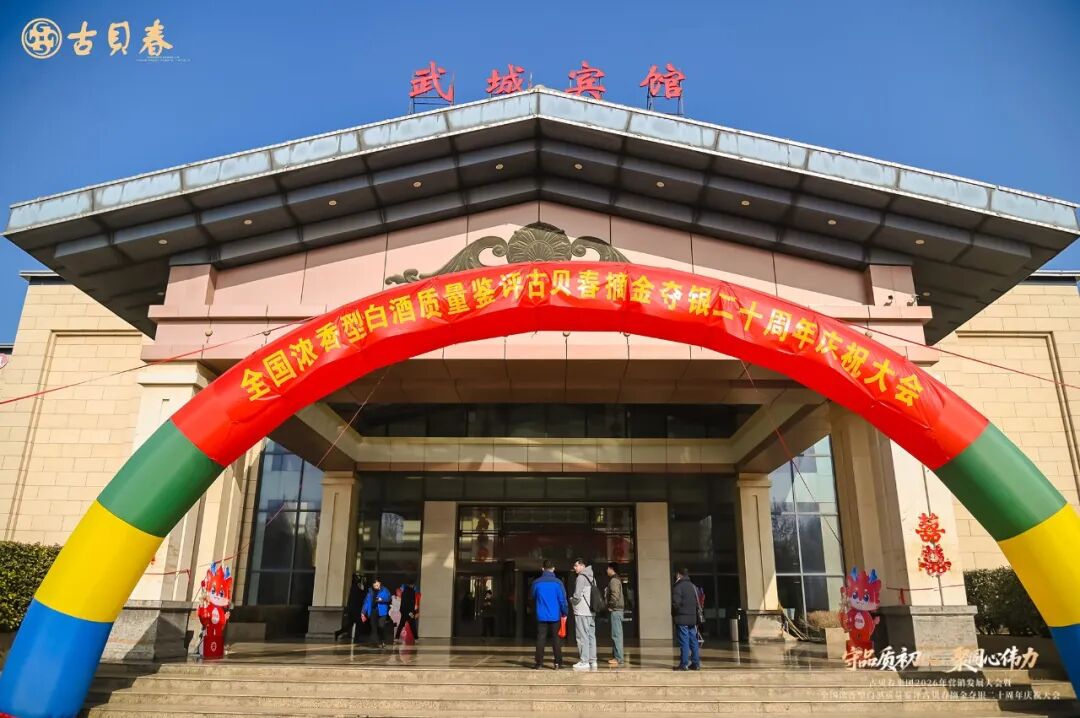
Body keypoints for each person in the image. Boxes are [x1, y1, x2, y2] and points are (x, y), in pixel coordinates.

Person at [530, 560, 568, 670]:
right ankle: (557, 663)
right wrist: (565, 612)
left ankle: (539, 663)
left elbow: (532, 596)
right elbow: (562, 600)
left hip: (541, 615)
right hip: (555, 615)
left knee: (540, 638)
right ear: (553, 568)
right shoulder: (558, 583)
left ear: (542, 569)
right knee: (556, 639)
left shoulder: (536, 583)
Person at [570, 558, 598, 671]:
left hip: (582, 611)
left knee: (582, 637)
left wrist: (571, 600)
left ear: (582, 565)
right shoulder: (592, 578)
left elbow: (577, 596)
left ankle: (584, 661)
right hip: (591, 612)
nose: (575, 568)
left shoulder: (581, 578)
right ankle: (593, 660)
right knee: (591, 636)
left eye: (576, 566)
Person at [671, 567, 702, 671]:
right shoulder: (693, 586)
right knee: (693, 640)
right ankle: (696, 664)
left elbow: (676, 603)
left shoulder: (678, 586)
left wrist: (674, 613)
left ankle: (684, 664)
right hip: (692, 618)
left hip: (682, 618)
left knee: (684, 641)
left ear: (678, 575)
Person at [361, 577, 393, 648]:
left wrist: (382, 599)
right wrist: (363, 612)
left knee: (381, 626)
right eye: (374, 585)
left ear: (380, 583)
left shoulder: (385, 590)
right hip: (373, 611)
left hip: (382, 611)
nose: (376, 587)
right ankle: (374, 643)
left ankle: (383, 640)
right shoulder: (370, 591)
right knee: (373, 628)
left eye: (377, 585)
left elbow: (389, 598)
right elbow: (366, 602)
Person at [605, 562, 625, 666]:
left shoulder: (614, 580)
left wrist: (611, 606)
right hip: (617, 610)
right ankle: (616, 656)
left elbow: (615, 595)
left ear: (611, 569)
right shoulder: (616, 579)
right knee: (616, 634)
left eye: (607, 568)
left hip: (616, 610)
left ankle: (618, 658)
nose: (606, 570)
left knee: (616, 635)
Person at [334, 573, 365, 642]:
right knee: (358, 624)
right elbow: (359, 599)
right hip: (355, 610)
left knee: (350, 625)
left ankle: (338, 633)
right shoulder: (356, 589)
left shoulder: (354, 588)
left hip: (353, 610)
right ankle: (356, 638)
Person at [395, 579, 420, 643]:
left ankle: (396, 638)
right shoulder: (411, 592)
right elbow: (411, 603)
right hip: (409, 612)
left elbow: (403, 602)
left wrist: (403, 611)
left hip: (404, 611)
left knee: (401, 625)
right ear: (412, 585)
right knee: (412, 625)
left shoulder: (404, 591)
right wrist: (412, 612)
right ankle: (416, 639)